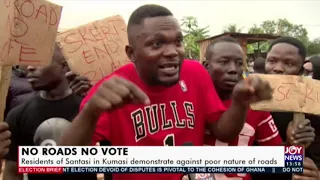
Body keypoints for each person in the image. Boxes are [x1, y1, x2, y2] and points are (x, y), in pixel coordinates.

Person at [60, 4, 273, 180]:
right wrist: (91, 112)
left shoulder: (195, 72)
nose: (173, 52)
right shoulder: (110, 89)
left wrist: (239, 102)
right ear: (132, 53)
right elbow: (64, 161)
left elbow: (223, 132)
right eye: (158, 43)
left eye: (178, 41)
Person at [202, 37, 316, 180]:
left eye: (239, 63)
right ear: (206, 65)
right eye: (224, 62)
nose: (233, 69)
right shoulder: (192, 100)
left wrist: (299, 160)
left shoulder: (257, 107)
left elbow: (275, 156)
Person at [3, 44, 97, 180]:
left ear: (64, 66)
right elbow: (12, 172)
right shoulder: (17, 116)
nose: (30, 67)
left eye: (40, 62)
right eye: (31, 61)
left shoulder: (89, 108)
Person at [252, 37, 320, 180]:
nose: (277, 68)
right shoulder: (247, 102)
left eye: (289, 63)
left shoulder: (310, 106)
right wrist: (288, 148)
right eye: (272, 61)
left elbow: (313, 160)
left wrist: (315, 174)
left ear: (301, 70)